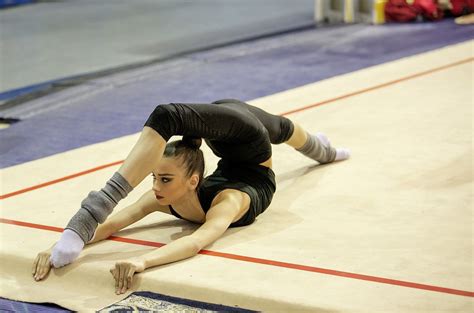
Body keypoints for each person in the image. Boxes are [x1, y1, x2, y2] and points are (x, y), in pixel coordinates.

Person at [32, 99, 350, 294]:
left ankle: (324, 150)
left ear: (192, 180)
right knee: (277, 126)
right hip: (234, 142)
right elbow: (114, 223)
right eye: (155, 176)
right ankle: (323, 150)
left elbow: (195, 241)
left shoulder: (228, 201)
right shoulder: (165, 194)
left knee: (172, 116)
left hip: (250, 146)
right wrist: (55, 245)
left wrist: (143, 260)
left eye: (165, 179)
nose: (156, 187)